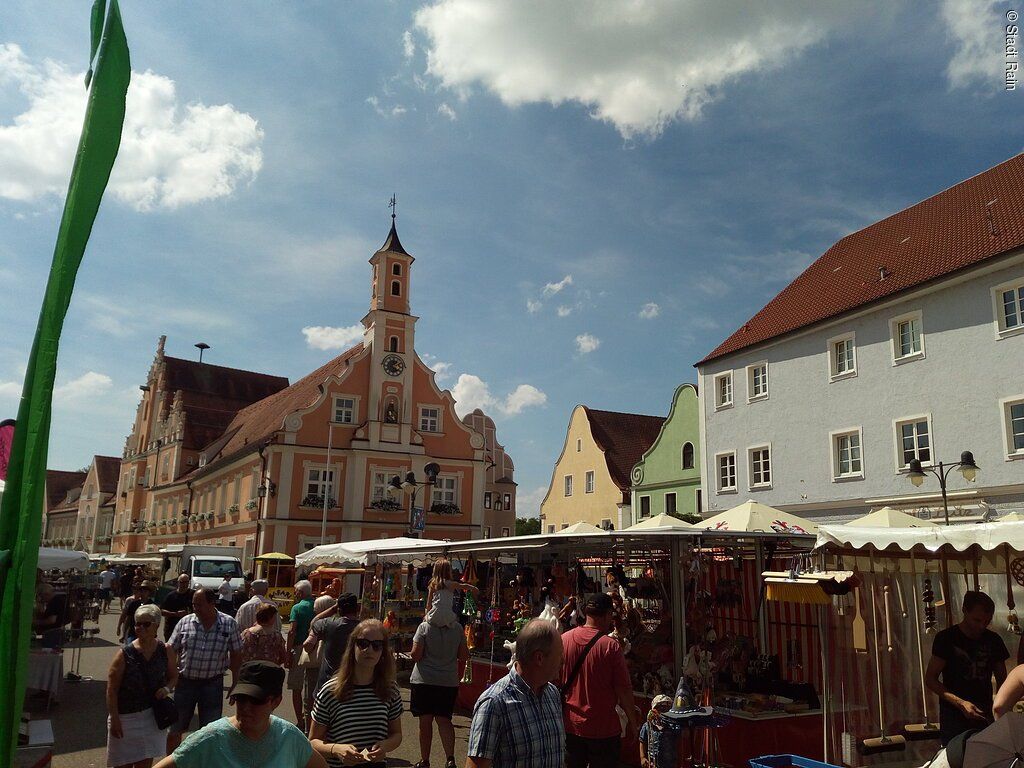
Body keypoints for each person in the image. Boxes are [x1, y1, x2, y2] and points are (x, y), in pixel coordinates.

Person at [152, 660, 328, 768]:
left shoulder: (289, 737)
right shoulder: (211, 738)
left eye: (256, 700)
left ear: (276, 701)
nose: (245, 706)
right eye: (241, 698)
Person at [466, 619, 565, 768]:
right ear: (539, 658)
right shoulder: (494, 704)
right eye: (559, 654)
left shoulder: (552, 694)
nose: (563, 660)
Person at [309, 619, 403, 768]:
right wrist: (336, 749)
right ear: (353, 646)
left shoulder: (390, 690)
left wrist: (385, 746)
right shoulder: (330, 690)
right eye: (363, 643)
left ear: (383, 652)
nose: (369, 650)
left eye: (377, 645)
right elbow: (313, 741)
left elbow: (396, 734)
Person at [560, 592, 639, 768]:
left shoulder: (564, 640)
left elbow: (553, 680)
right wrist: (633, 724)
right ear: (608, 615)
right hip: (603, 730)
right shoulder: (610, 646)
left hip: (571, 726)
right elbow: (623, 690)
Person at [926, 590, 1010, 745]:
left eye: (986, 621)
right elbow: (930, 679)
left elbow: (1003, 682)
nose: (981, 626)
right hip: (954, 717)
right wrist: (961, 703)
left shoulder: (994, 641)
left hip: (985, 716)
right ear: (964, 610)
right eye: (977, 620)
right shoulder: (946, 639)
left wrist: (1001, 711)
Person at [166, 587, 243, 752]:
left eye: (199, 604)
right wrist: (172, 675)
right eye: (194, 604)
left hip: (212, 685)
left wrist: (236, 681)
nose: (195, 608)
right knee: (174, 729)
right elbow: (170, 649)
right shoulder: (185, 622)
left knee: (210, 732)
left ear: (212, 603)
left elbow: (237, 654)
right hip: (184, 684)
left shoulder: (229, 623)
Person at [106, 604, 179, 768]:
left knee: (144, 763)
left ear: (156, 626)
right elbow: (112, 690)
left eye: (146, 624)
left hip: (151, 717)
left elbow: (174, 676)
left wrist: (166, 689)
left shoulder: (165, 650)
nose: (140, 627)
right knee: (121, 764)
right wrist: (115, 718)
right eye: (138, 623)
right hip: (125, 718)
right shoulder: (124, 654)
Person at [409, 612, 469, 768]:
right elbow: (464, 655)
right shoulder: (458, 629)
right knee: (444, 720)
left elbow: (415, 655)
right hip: (447, 681)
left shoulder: (424, 627)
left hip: (424, 680)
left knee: (425, 721)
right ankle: (450, 759)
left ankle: (425, 760)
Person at [304, 592, 360, 695]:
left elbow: (308, 642)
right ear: (357, 608)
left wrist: (333, 608)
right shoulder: (364, 627)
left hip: (327, 682)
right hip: (355, 683)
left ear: (339, 609)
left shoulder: (326, 624)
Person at [286, 580, 318, 731]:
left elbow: (292, 631)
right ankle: (313, 720)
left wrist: (287, 652)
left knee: (296, 686)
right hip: (315, 649)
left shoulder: (297, 608)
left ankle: (300, 720)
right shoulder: (318, 606)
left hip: (299, 648)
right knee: (313, 686)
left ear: (300, 592)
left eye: (296, 591)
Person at [424, 558, 478, 628]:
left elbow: (429, 603)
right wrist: (474, 588)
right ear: (448, 571)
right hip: (447, 614)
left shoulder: (433, 584)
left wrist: (426, 615)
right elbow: (464, 586)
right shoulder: (451, 584)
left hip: (435, 613)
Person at [638, 695, 679, 768]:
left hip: (669, 763)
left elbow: (684, 736)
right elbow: (642, 741)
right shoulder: (648, 725)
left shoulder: (673, 725)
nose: (663, 711)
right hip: (652, 763)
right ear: (653, 710)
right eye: (660, 708)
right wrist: (642, 757)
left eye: (667, 709)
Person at [33, 583, 69, 648]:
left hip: (52, 633)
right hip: (58, 632)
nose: (41, 598)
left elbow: (51, 620)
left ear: (46, 594)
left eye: (41, 596)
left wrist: (36, 622)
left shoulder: (54, 602)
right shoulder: (58, 600)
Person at [160, 574, 194, 642]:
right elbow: (161, 611)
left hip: (189, 627)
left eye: (186, 582)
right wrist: (175, 614)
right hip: (172, 627)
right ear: (178, 582)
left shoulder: (193, 594)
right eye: (182, 582)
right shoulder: (171, 596)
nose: (184, 584)